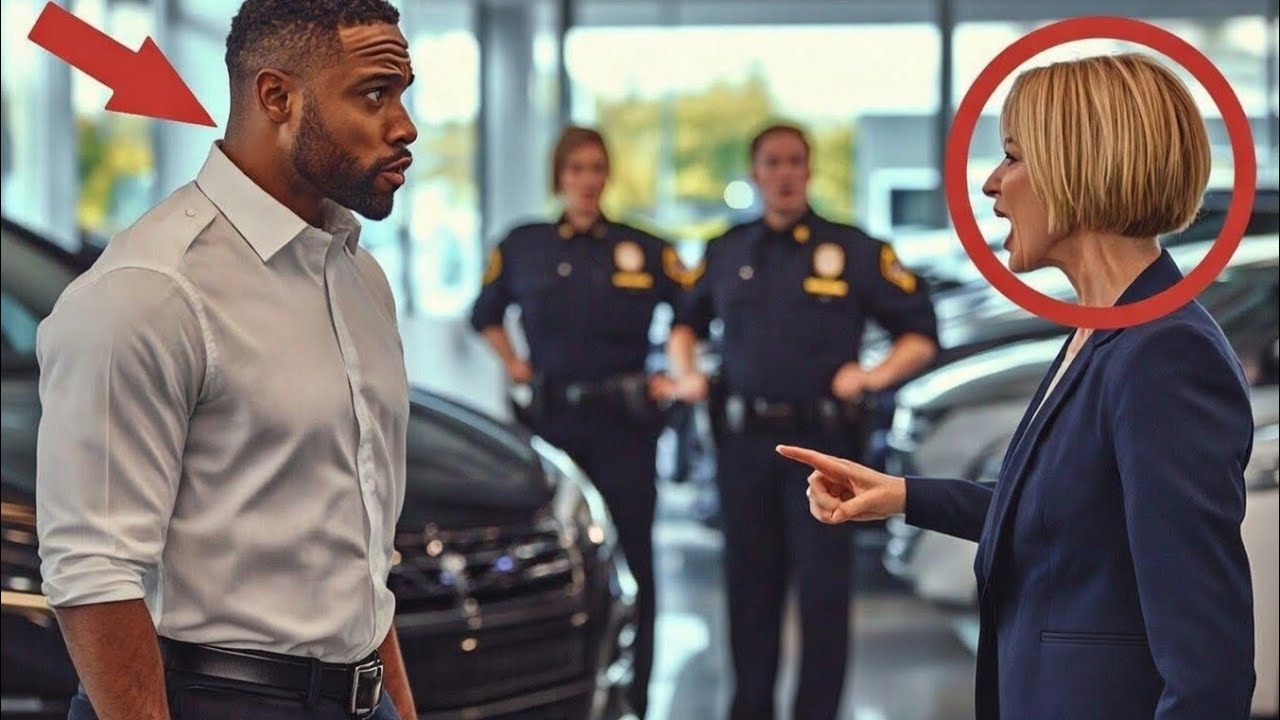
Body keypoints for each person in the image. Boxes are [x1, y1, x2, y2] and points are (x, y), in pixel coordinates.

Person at [779, 53, 1256, 720]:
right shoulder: (1102, 329)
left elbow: (1209, 668)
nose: (992, 185)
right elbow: (1071, 510)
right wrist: (904, 497)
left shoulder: (1165, 354)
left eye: (1012, 157)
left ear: (1078, 167)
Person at [35, 1, 418, 718]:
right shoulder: (150, 290)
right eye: (375, 94)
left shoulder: (360, 278)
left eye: (402, 93)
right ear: (278, 97)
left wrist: (392, 702)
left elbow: (360, 552)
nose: (404, 125)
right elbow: (93, 573)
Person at [666, 123, 938, 720]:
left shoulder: (856, 249)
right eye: (772, 163)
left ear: (809, 171)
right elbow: (684, 323)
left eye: (795, 162)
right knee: (749, 595)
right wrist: (685, 372)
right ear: (756, 172)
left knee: (823, 597)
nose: (785, 173)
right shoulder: (726, 250)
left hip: (825, 449)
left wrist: (871, 376)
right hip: (746, 448)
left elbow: (920, 333)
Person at [468, 125, 688, 719]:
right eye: (575, 170)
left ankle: (634, 700)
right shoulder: (524, 245)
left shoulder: (644, 248)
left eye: (595, 169)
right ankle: (551, 694)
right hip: (552, 428)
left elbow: (692, 313)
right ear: (559, 178)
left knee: (634, 566)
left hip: (625, 430)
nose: (587, 181)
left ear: (607, 175)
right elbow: (484, 313)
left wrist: (674, 371)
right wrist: (516, 364)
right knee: (546, 561)